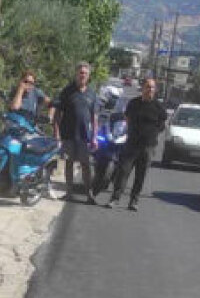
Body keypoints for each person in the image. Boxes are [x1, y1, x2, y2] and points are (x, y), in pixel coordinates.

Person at [104, 77, 168, 212]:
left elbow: (162, 125)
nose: (150, 89)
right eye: (147, 86)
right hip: (131, 144)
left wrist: (151, 134)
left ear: (155, 90)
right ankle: (115, 198)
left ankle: (134, 201)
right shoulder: (133, 103)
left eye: (152, 87)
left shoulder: (159, 107)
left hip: (148, 147)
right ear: (143, 88)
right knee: (123, 172)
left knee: (141, 175)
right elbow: (127, 118)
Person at [53, 62, 99, 203]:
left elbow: (95, 117)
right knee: (69, 164)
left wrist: (94, 137)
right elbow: (57, 113)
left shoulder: (92, 93)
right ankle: (68, 193)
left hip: (85, 137)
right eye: (80, 72)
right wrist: (57, 134)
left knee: (86, 165)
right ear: (76, 74)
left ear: (88, 76)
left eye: (85, 73)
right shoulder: (67, 91)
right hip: (68, 135)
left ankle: (89, 195)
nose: (82, 75)